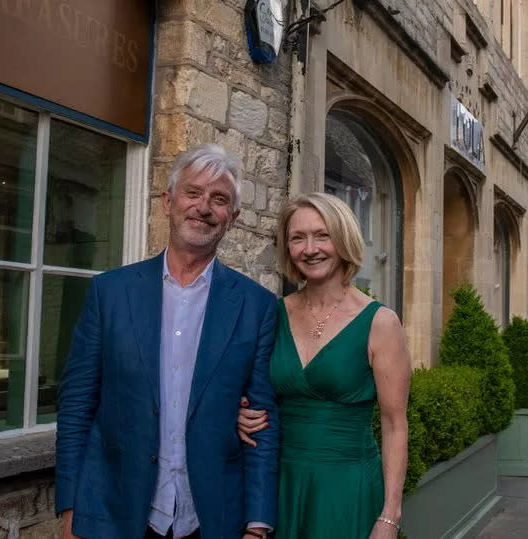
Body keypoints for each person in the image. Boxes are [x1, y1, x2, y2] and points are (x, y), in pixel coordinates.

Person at [55, 144, 280, 539]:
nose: (204, 207)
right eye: (193, 192)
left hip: (212, 517)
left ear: (233, 218)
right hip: (114, 510)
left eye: (219, 199)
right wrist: (72, 505)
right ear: (168, 201)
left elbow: (261, 422)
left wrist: (257, 523)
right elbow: (77, 406)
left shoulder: (256, 306)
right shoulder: (109, 294)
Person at [236, 193, 411, 538]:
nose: (310, 248)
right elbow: (248, 388)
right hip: (278, 482)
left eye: (322, 235)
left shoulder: (380, 322)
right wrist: (238, 413)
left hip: (345, 487)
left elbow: (395, 426)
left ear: (343, 239)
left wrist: (390, 516)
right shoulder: (271, 314)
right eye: (298, 238)